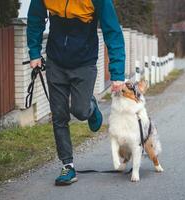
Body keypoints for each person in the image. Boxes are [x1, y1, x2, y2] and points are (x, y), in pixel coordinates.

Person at [27, 0, 125, 186]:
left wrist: (117, 73)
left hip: (84, 62)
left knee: (79, 111)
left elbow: (112, 32)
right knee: (59, 115)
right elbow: (35, 19)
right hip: (56, 61)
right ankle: (67, 165)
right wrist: (34, 52)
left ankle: (90, 106)